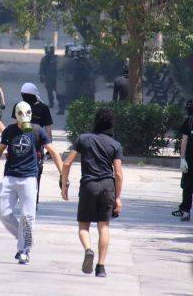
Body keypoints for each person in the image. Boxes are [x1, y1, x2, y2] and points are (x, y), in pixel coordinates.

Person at [0, 101, 64, 265]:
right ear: (15, 115)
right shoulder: (9, 130)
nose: (23, 117)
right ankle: (25, 238)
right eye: (20, 113)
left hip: (29, 178)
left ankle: (24, 249)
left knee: (28, 216)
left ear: (30, 114)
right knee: (3, 212)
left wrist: (63, 175)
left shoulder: (37, 130)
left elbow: (54, 152)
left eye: (26, 113)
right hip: (10, 176)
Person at [61, 107, 123, 278]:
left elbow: (66, 163)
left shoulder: (83, 139)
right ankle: (101, 267)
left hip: (88, 186)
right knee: (104, 226)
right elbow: (118, 174)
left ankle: (88, 249)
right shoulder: (115, 145)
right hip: (107, 187)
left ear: (96, 121)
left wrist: (64, 185)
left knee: (83, 225)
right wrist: (118, 197)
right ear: (111, 124)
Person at [10, 83, 53, 209]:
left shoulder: (20, 106)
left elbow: (15, 125)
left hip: (24, 143)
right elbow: (49, 128)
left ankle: (26, 199)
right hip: (36, 144)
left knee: (23, 170)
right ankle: (33, 200)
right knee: (36, 172)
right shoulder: (43, 108)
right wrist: (49, 147)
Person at [55, 45, 73, 115]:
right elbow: (59, 68)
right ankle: (61, 109)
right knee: (61, 95)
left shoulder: (75, 60)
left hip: (72, 81)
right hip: (63, 80)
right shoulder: (63, 59)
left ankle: (66, 108)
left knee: (70, 96)